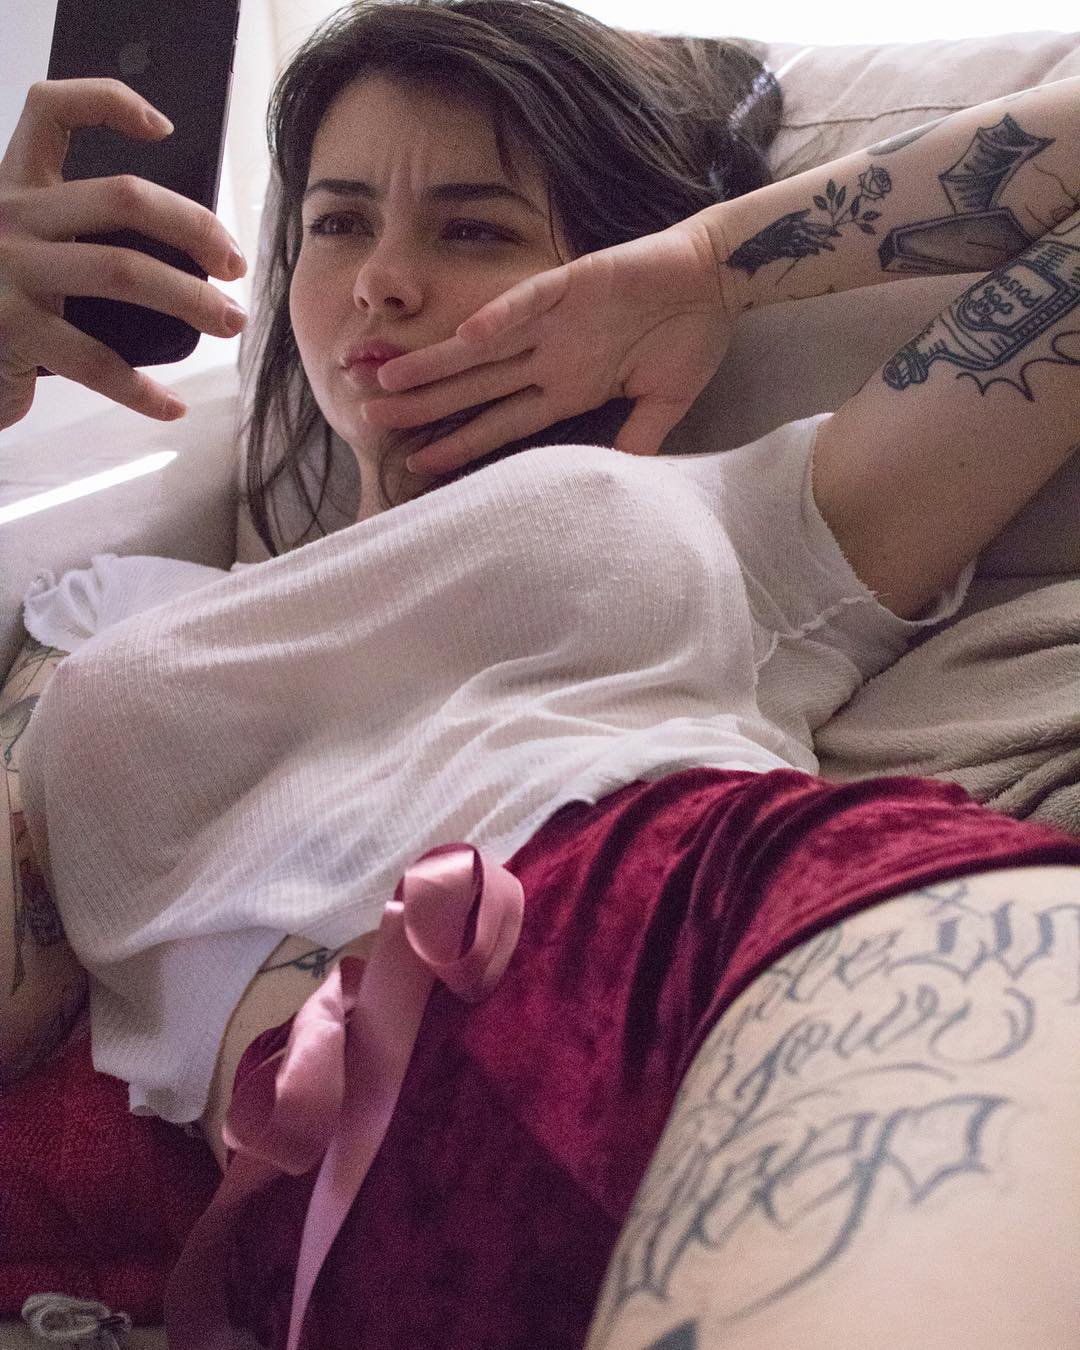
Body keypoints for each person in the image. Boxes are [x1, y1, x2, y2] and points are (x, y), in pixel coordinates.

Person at [2, 1, 1080, 1347]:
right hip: (354, 1196)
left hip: (748, 919)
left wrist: (709, 266)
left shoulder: (749, 510)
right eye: (337, 223)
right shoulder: (102, 615)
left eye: (474, 229)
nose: (383, 282)